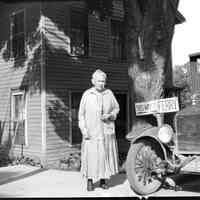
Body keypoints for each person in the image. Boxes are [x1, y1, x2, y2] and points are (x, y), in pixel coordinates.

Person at [78, 69, 120, 191]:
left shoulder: (109, 93)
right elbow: (81, 115)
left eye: (103, 81)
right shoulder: (87, 95)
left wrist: (110, 116)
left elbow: (116, 108)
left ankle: (103, 181)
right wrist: (84, 131)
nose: (101, 83)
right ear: (93, 81)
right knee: (91, 157)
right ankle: (90, 181)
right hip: (91, 132)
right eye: (99, 81)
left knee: (104, 156)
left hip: (106, 131)